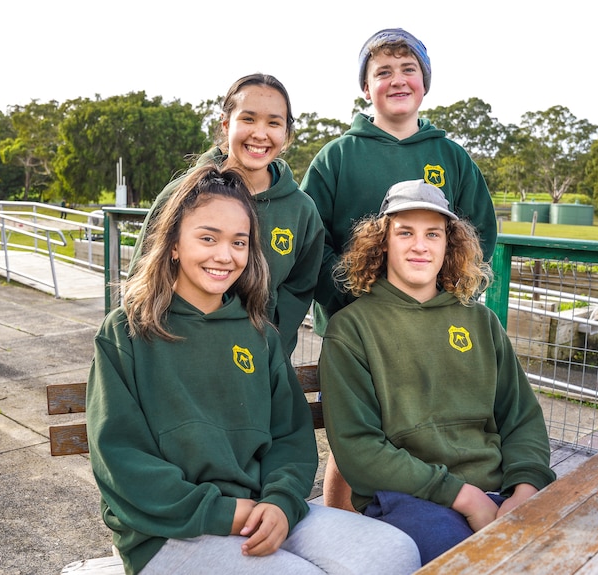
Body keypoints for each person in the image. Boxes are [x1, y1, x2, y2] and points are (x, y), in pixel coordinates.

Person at [86, 166, 421, 575]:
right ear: (173, 243)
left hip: (261, 506)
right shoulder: (127, 331)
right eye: (207, 238)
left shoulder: (258, 333)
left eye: (238, 242)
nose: (224, 255)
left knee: (395, 551)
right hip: (167, 529)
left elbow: (290, 436)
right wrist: (226, 513)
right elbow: (121, 456)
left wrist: (280, 502)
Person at [301, 26, 498, 509]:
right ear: (366, 88)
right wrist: (353, 297)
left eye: (408, 69)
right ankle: (342, 528)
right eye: (382, 72)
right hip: (360, 324)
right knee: (354, 438)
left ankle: (425, 510)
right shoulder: (338, 156)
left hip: (431, 322)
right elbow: (310, 241)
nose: (397, 80)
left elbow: (478, 235)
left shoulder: (449, 156)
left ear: (425, 83)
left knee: (420, 422)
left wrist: (447, 296)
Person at [318, 180, 555, 566]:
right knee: (472, 563)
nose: (420, 245)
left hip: (501, 490)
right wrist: (465, 497)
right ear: (383, 243)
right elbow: (358, 449)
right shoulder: (351, 330)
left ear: (449, 244)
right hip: (410, 498)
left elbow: (521, 418)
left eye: (433, 233)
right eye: (405, 232)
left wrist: (525, 491)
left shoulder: (481, 321)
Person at [129, 73, 323, 356]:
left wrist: (266, 346)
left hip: (253, 366)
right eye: (248, 119)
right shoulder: (182, 194)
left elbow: (299, 290)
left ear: (286, 134)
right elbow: (142, 278)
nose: (259, 133)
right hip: (176, 353)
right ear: (225, 124)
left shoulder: (302, 211)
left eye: (273, 123)